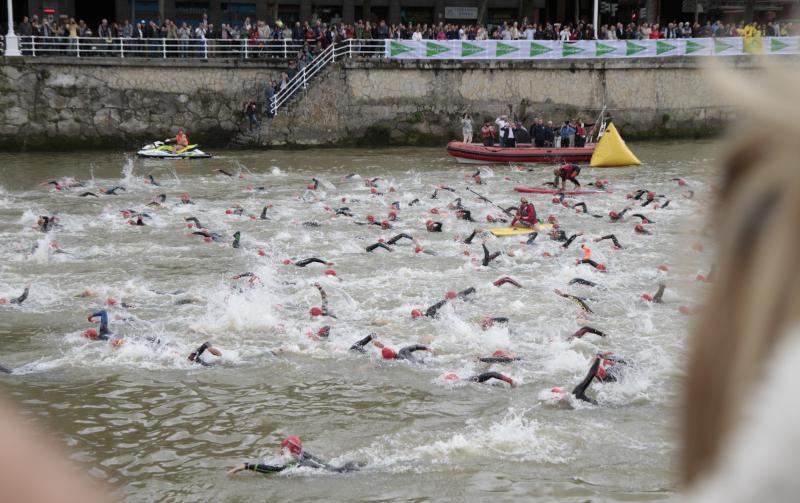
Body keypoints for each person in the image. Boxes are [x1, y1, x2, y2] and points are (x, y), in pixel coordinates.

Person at [227, 436, 361, 475]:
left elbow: (274, 469)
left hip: (344, 473)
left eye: (282, 448)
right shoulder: (303, 455)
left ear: (287, 449)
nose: (280, 451)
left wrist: (246, 466)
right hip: (344, 467)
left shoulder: (294, 462)